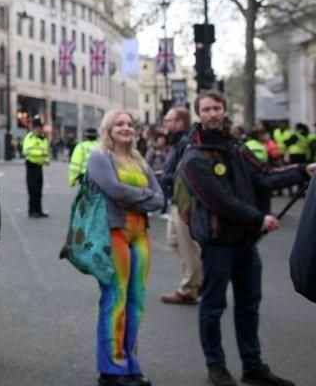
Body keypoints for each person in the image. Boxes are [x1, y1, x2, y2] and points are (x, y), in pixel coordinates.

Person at [178, 90, 316, 386]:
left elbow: (265, 175)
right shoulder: (193, 156)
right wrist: (258, 218)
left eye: (217, 108)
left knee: (249, 306)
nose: (213, 114)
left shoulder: (236, 147)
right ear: (198, 114)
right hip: (217, 245)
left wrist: (303, 171)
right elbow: (218, 200)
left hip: (245, 243)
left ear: (225, 111)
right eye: (206, 109)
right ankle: (216, 366)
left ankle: (253, 366)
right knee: (212, 307)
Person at [86, 109, 164, 386]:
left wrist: (137, 199)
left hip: (140, 234)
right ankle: (111, 368)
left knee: (137, 300)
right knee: (115, 298)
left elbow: (160, 199)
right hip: (113, 232)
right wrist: (144, 197)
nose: (125, 128)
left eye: (129, 124)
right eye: (119, 123)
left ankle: (131, 363)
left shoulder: (139, 159)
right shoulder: (99, 157)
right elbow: (114, 190)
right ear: (108, 128)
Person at [158, 106, 202, 306]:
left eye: (169, 120)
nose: (166, 124)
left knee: (187, 245)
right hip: (175, 199)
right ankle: (197, 279)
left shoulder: (187, 143)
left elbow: (182, 173)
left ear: (180, 122)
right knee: (174, 241)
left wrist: (165, 177)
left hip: (184, 200)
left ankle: (189, 288)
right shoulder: (178, 142)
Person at [22, 117, 50, 217]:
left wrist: (46, 160)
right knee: (32, 189)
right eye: (38, 127)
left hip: (39, 166)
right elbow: (26, 151)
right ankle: (32, 211)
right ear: (33, 128)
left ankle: (39, 210)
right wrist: (40, 154)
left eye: (40, 127)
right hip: (31, 165)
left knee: (39, 190)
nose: (39, 129)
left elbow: (46, 152)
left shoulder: (43, 139)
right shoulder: (29, 138)